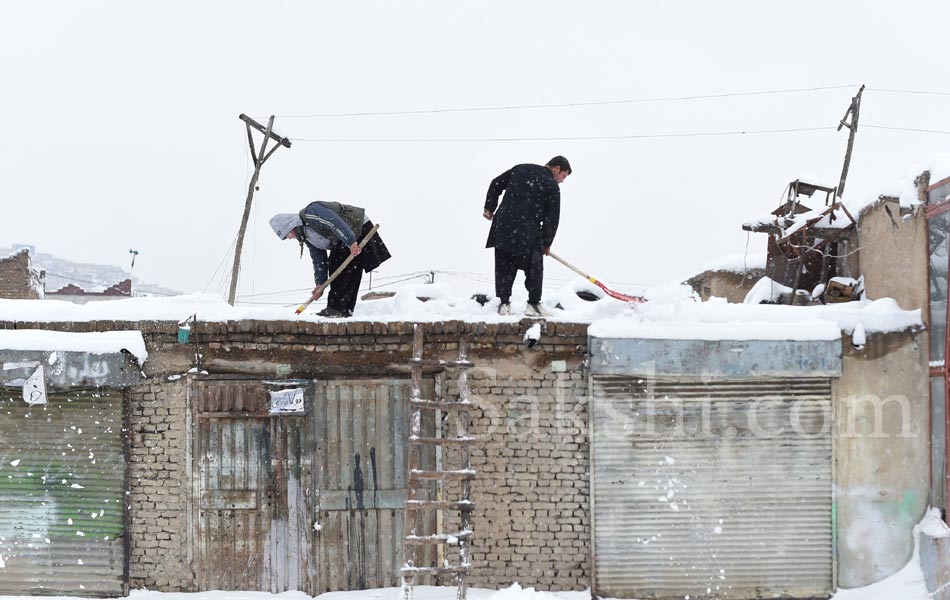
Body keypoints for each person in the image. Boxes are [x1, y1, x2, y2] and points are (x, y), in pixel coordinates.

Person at [270, 201, 391, 318]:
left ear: (290, 225)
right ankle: (344, 310)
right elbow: (318, 259)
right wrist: (320, 283)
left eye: (288, 234)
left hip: (356, 227)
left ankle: (336, 309)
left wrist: (351, 241)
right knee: (344, 267)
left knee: (340, 266)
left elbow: (333, 222)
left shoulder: (311, 213)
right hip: (344, 238)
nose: (290, 237)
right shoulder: (307, 237)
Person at [483, 156, 571, 316]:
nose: (562, 181)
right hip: (528, 231)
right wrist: (546, 243)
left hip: (504, 227)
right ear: (556, 168)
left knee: (504, 266)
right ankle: (533, 304)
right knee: (534, 267)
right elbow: (552, 219)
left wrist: (489, 207)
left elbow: (496, 183)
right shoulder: (551, 185)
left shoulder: (520, 168)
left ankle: (504, 304)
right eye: (563, 176)